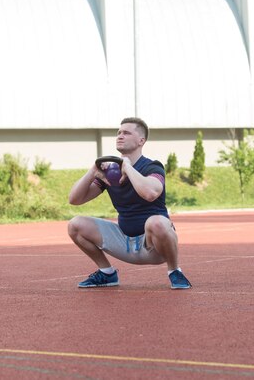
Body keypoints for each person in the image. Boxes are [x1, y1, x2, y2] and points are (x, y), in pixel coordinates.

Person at [68, 117, 191, 289]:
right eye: (118, 133)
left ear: (141, 140)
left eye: (126, 133)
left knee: (157, 222)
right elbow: (75, 200)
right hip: (124, 240)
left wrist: (128, 168)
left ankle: (174, 271)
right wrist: (92, 171)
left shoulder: (152, 167)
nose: (120, 136)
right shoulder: (110, 172)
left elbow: (150, 193)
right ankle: (107, 273)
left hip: (153, 246)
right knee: (75, 224)